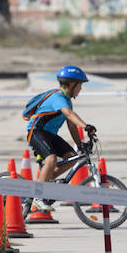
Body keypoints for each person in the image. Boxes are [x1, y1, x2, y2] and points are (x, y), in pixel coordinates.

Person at [25, 65, 96, 212]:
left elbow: (71, 125)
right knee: (50, 159)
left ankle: (44, 182)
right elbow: (69, 114)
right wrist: (86, 126)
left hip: (50, 135)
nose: (81, 89)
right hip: (36, 132)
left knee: (72, 157)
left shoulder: (67, 100)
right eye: (80, 85)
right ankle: (38, 197)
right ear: (71, 84)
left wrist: (79, 144)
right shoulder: (58, 97)